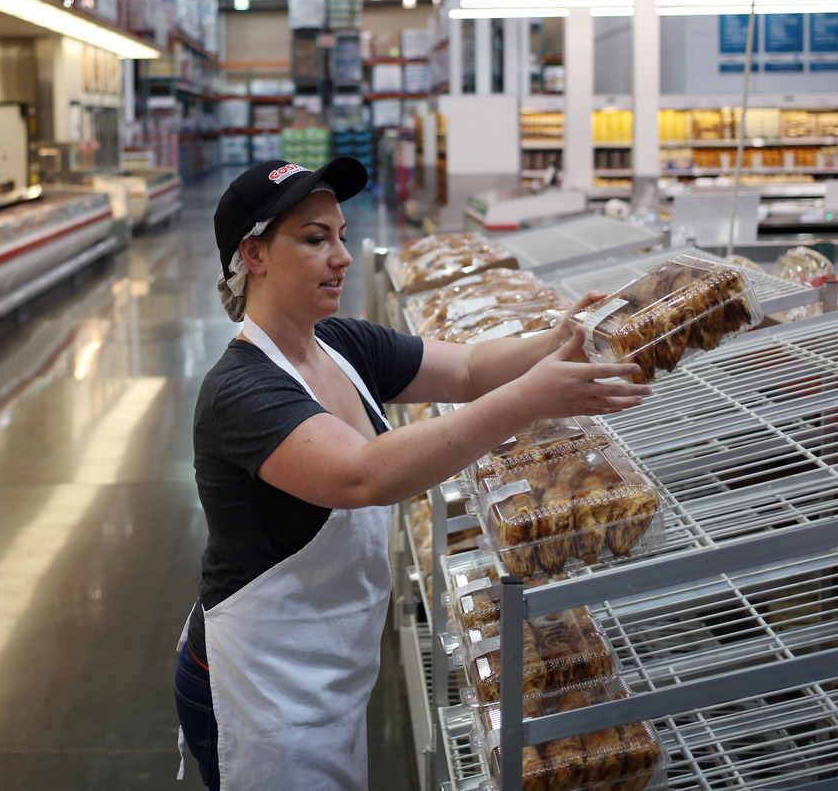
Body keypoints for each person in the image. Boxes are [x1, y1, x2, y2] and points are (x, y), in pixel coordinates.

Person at [174, 157, 650, 791]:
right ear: (254, 255)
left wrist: (556, 339)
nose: (341, 255)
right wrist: (533, 397)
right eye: (315, 239)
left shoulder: (341, 344)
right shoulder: (240, 391)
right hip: (260, 684)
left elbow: (472, 367)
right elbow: (364, 475)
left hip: (329, 665)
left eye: (340, 236)